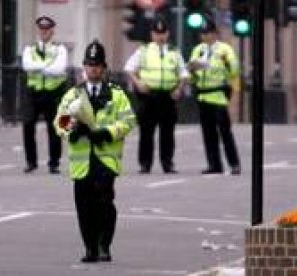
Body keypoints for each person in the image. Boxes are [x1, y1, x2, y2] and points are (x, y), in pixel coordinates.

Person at [54, 40, 136, 263]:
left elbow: (129, 121)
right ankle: (89, 247)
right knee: (84, 206)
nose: (94, 69)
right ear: (84, 67)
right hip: (82, 162)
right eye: (90, 64)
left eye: (98, 64)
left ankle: (104, 245)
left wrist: (107, 132)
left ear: (104, 68)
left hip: (105, 159)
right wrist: (72, 129)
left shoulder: (116, 94)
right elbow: (59, 122)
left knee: (104, 205)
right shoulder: (73, 94)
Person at [124, 15, 189, 174]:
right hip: (149, 96)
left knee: (167, 132)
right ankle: (145, 163)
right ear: (152, 34)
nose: (160, 36)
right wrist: (138, 83)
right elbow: (129, 68)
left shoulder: (174, 52)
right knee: (146, 132)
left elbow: (183, 73)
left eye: (163, 33)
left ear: (167, 34)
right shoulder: (144, 50)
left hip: (167, 96)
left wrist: (179, 88)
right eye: (157, 33)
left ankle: (167, 163)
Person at [187, 17, 241, 175]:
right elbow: (191, 73)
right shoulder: (198, 50)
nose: (206, 36)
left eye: (209, 33)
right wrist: (192, 70)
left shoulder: (225, 49)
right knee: (208, 134)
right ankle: (214, 164)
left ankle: (234, 164)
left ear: (215, 34)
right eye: (204, 33)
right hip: (203, 96)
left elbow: (235, 70)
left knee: (225, 132)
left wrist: (227, 63)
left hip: (218, 95)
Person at [21, 15, 68, 174]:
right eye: (41, 29)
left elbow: (59, 69)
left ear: (52, 31)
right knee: (28, 125)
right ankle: (31, 162)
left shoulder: (60, 48)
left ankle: (54, 163)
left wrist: (39, 67)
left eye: (47, 30)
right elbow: (27, 65)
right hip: (33, 91)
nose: (44, 32)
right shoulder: (29, 48)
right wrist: (47, 66)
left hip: (53, 92)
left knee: (55, 128)